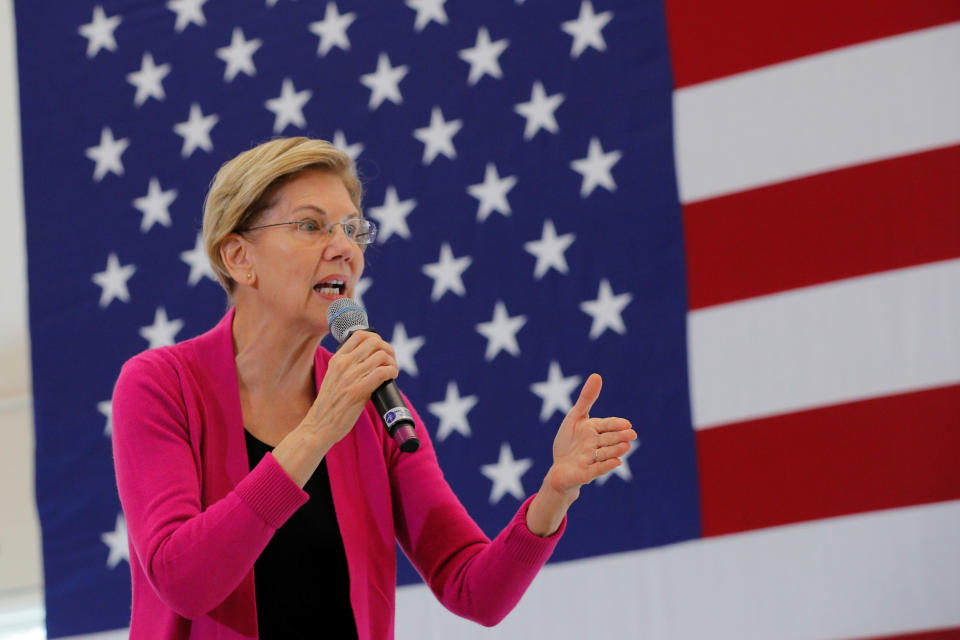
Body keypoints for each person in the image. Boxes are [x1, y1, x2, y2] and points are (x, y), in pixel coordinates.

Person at [111, 137, 637, 639]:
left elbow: (474, 590)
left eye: (353, 230)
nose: (344, 249)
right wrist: (317, 430)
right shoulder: (162, 386)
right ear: (239, 257)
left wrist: (554, 496)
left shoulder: (376, 408)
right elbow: (183, 581)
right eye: (311, 226)